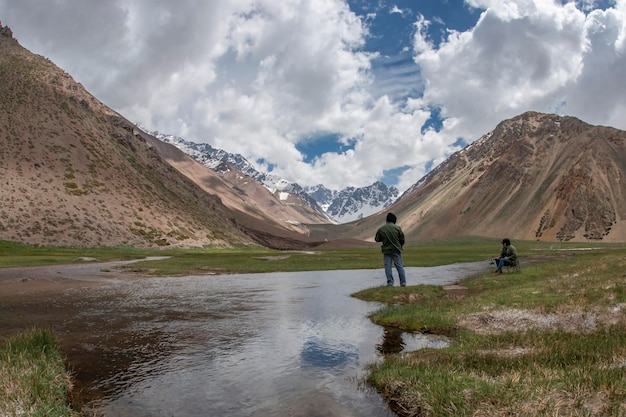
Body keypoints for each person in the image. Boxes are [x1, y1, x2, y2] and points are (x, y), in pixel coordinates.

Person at [375, 212, 407, 286]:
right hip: (397, 250)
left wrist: (384, 239)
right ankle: (403, 282)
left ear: (387, 220)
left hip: (386, 251)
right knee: (399, 266)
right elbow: (402, 240)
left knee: (388, 267)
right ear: (394, 220)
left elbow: (377, 239)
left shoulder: (381, 229)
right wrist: (399, 246)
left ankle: (390, 282)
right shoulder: (398, 228)